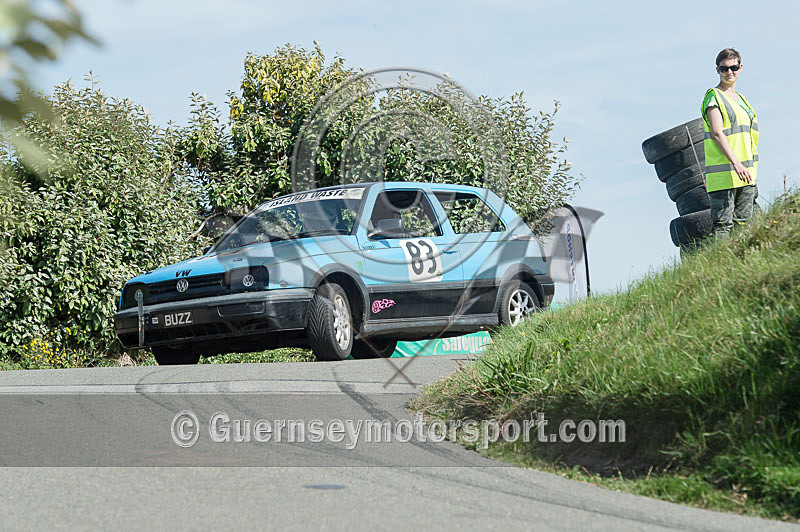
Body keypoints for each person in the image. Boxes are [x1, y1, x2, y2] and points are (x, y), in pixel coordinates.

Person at [701, 47, 759, 238]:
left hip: (747, 172)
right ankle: (720, 265)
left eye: (733, 67)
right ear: (717, 70)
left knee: (744, 224)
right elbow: (717, 133)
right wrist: (735, 163)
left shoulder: (741, 100)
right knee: (723, 226)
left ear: (740, 67)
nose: (729, 72)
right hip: (725, 174)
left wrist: (746, 167)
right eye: (724, 69)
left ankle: (742, 264)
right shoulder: (714, 97)